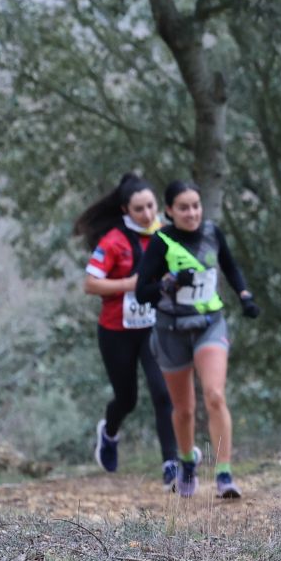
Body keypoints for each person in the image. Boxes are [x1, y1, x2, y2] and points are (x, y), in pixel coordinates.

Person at [133, 180, 259, 498]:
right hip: (171, 330)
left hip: (208, 324)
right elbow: (141, 291)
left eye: (196, 206)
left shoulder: (213, 233)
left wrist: (244, 296)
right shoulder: (161, 241)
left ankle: (224, 475)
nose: (192, 213)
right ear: (170, 211)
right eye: (184, 207)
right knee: (185, 409)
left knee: (215, 395)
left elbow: (230, 267)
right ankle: (187, 463)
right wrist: (171, 282)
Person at [76, 173, 179, 489]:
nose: (148, 214)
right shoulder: (114, 241)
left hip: (153, 327)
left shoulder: (167, 234)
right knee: (127, 398)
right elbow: (90, 284)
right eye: (139, 209)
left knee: (164, 394)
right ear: (125, 211)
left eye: (151, 206)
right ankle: (108, 432)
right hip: (116, 331)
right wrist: (131, 285)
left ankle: (171, 466)